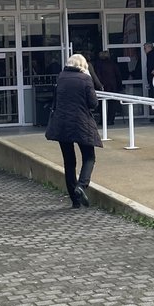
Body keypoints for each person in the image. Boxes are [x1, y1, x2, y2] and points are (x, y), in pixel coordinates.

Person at [44, 53, 103, 209]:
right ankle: (81, 186)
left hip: (62, 125)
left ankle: (74, 201)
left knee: (69, 162)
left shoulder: (61, 77)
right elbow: (93, 103)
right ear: (83, 65)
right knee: (89, 157)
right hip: (81, 124)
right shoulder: (85, 79)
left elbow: (56, 100)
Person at [93, 50, 121, 119]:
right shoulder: (112, 63)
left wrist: (98, 85)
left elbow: (97, 75)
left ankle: (103, 120)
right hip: (112, 86)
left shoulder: (98, 64)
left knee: (102, 103)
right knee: (112, 103)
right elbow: (118, 75)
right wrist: (119, 85)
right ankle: (110, 119)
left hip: (102, 86)